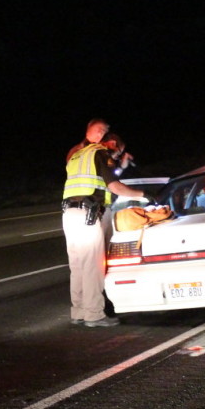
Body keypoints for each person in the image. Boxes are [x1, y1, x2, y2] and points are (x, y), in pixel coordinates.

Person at [62, 120, 145, 327]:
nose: (116, 156)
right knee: (93, 266)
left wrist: (119, 165)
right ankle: (94, 315)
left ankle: (79, 311)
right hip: (90, 214)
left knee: (78, 266)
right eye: (118, 151)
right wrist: (144, 195)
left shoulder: (77, 155)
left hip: (70, 213)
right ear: (110, 143)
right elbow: (115, 186)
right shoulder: (101, 153)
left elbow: (97, 177)